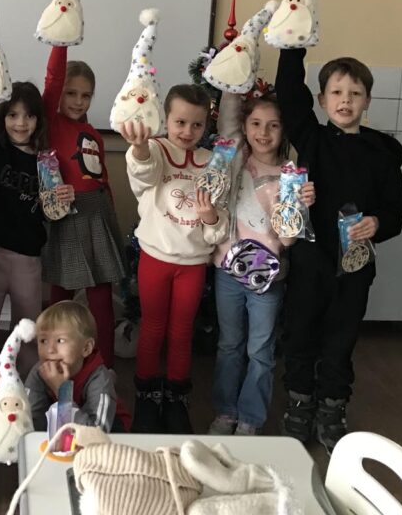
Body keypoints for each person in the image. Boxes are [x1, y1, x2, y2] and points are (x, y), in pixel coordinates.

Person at [273, 48, 402, 453]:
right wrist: (293, 43)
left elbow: (395, 212)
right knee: (299, 332)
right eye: (336, 92)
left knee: (341, 337)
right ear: (321, 100)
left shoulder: (383, 153)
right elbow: (288, 91)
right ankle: (300, 403)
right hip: (310, 261)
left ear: (367, 100)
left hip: (355, 265)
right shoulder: (312, 139)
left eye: (355, 93)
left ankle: (332, 406)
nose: (345, 100)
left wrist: (377, 223)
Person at [0, 59, 70, 413]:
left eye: (29, 116)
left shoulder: (47, 162)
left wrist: (63, 198)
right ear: (2, 118)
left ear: (39, 120)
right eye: (12, 115)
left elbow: (54, 209)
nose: (20, 123)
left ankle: (25, 393)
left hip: (28, 259)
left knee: (27, 327)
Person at [208, 87, 315, 436]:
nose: (263, 132)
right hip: (227, 270)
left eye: (273, 125)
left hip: (267, 278)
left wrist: (297, 206)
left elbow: (288, 239)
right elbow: (227, 119)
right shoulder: (234, 159)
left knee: (260, 349)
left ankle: (250, 418)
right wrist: (232, 79)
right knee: (229, 345)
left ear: (283, 130)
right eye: (255, 123)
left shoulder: (290, 175)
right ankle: (226, 411)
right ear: (244, 126)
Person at [121, 84, 228, 433]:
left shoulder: (213, 162)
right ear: (165, 119)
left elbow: (217, 227)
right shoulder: (154, 150)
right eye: (180, 122)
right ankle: (147, 396)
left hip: (192, 264)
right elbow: (144, 174)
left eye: (197, 125)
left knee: (182, 332)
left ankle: (176, 398)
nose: (187, 131)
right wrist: (139, 147)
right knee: (152, 327)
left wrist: (211, 217)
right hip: (155, 259)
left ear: (206, 125)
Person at [40, 47, 125, 368]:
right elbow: (52, 80)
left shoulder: (92, 134)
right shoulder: (51, 123)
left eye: (86, 95)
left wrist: (111, 218)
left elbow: (102, 180)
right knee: (60, 296)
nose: (78, 101)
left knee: (102, 297)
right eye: (71, 93)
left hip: (97, 216)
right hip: (67, 216)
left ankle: (104, 367)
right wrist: (61, 42)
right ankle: (54, 361)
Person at [18, 300, 130, 433]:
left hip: (109, 430)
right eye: (43, 340)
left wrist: (62, 391)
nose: (50, 349)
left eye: (60, 340)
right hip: (63, 429)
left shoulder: (100, 379)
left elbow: (96, 432)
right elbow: (30, 423)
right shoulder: (40, 371)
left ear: (86, 348)